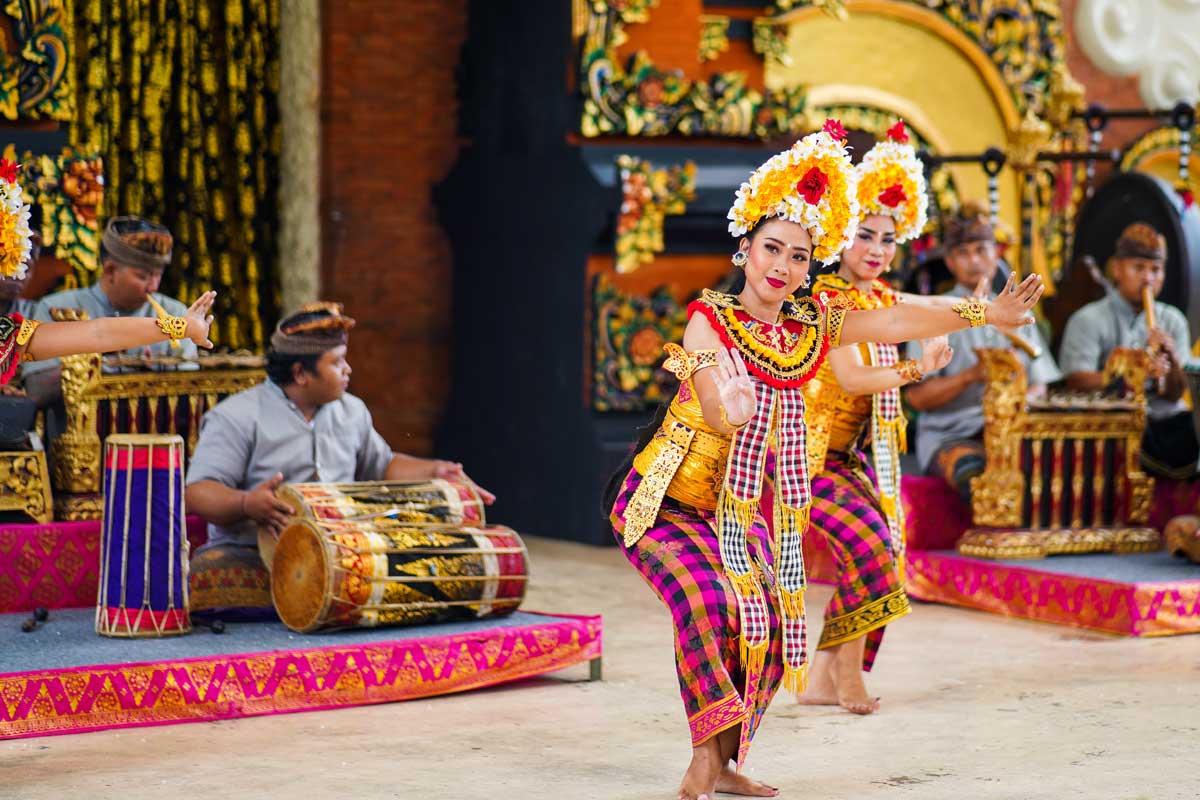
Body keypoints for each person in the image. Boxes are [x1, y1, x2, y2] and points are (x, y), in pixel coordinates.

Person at [604, 120, 1043, 800]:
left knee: (777, 624)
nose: (782, 266)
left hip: (737, 514)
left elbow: (894, 318)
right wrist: (732, 409)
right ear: (746, 249)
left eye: (799, 256)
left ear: (812, 268)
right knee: (709, 603)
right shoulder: (709, 318)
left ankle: (727, 760)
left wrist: (984, 314)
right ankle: (703, 757)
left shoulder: (809, 326)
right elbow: (714, 401)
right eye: (771, 249)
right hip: (664, 503)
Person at [184, 302, 495, 614]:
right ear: (300, 373)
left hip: (344, 553)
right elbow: (197, 492)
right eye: (337, 362)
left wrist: (436, 471)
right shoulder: (237, 416)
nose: (348, 370)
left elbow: (382, 465)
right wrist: (246, 504)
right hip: (256, 552)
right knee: (214, 570)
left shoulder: (351, 410)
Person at [797, 121, 951, 716]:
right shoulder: (827, 299)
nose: (877, 249)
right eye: (865, 235)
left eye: (887, 239)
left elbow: (929, 306)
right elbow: (854, 379)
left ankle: (822, 677)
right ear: (841, 237)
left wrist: (988, 311)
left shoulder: (882, 298)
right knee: (871, 555)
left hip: (851, 459)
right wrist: (917, 370)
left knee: (881, 554)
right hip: (805, 460)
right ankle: (848, 674)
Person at [904, 209, 1061, 504]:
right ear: (950, 262)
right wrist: (971, 376)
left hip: (1012, 432)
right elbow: (917, 399)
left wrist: (1016, 403)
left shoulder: (1018, 312)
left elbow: (1041, 384)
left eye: (981, 250)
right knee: (975, 473)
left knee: (1060, 467)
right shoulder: (934, 314)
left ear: (997, 253)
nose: (974, 260)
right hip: (953, 436)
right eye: (963, 253)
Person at [1058, 222, 1197, 479]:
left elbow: (1176, 393)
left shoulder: (1173, 320)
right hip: (1111, 421)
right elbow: (1076, 380)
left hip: (1164, 420)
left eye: (1156, 269)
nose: (1148, 278)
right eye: (1138, 267)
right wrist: (1135, 373)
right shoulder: (1088, 319)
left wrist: (1172, 360)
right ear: (1117, 269)